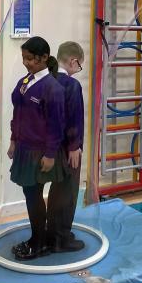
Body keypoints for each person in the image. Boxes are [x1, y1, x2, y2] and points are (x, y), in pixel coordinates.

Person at [8, 36, 65, 260]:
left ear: (44, 58)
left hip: (39, 151)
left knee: (34, 195)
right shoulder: (25, 82)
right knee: (30, 194)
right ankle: (37, 238)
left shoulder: (53, 88)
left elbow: (56, 126)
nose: (26, 63)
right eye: (24, 58)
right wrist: (13, 140)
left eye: (30, 59)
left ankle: (39, 242)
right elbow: (17, 114)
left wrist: (50, 154)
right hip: (23, 147)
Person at [47, 41, 85, 252]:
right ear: (73, 61)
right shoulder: (71, 85)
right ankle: (61, 238)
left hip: (48, 147)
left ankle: (52, 232)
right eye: (79, 66)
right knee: (68, 192)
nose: (78, 69)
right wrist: (74, 146)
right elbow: (73, 118)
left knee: (55, 190)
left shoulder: (46, 80)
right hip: (66, 148)